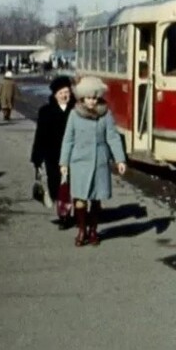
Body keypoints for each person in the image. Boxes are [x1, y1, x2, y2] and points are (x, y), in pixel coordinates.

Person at [59, 76, 127, 247]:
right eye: (88, 98)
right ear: (82, 98)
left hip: (99, 162)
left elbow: (112, 137)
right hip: (79, 162)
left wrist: (120, 159)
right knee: (80, 199)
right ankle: (82, 230)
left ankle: (93, 231)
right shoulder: (74, 115)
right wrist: (64, 163)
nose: (91, 101)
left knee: (96, 199)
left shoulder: (105, 114)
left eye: (94, 98)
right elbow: (68, 140)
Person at [31, 76, 76, 229]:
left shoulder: (76, 110)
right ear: (55, 94)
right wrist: (37, 159)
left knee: (68, 186)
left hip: (72, 155)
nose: (65, 95)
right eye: (62, 92)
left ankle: (65, 215)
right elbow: (40, 136)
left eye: (67, 92)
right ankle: (63, 210)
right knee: (55, 186)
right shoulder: (45, 111)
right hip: (52, 156)